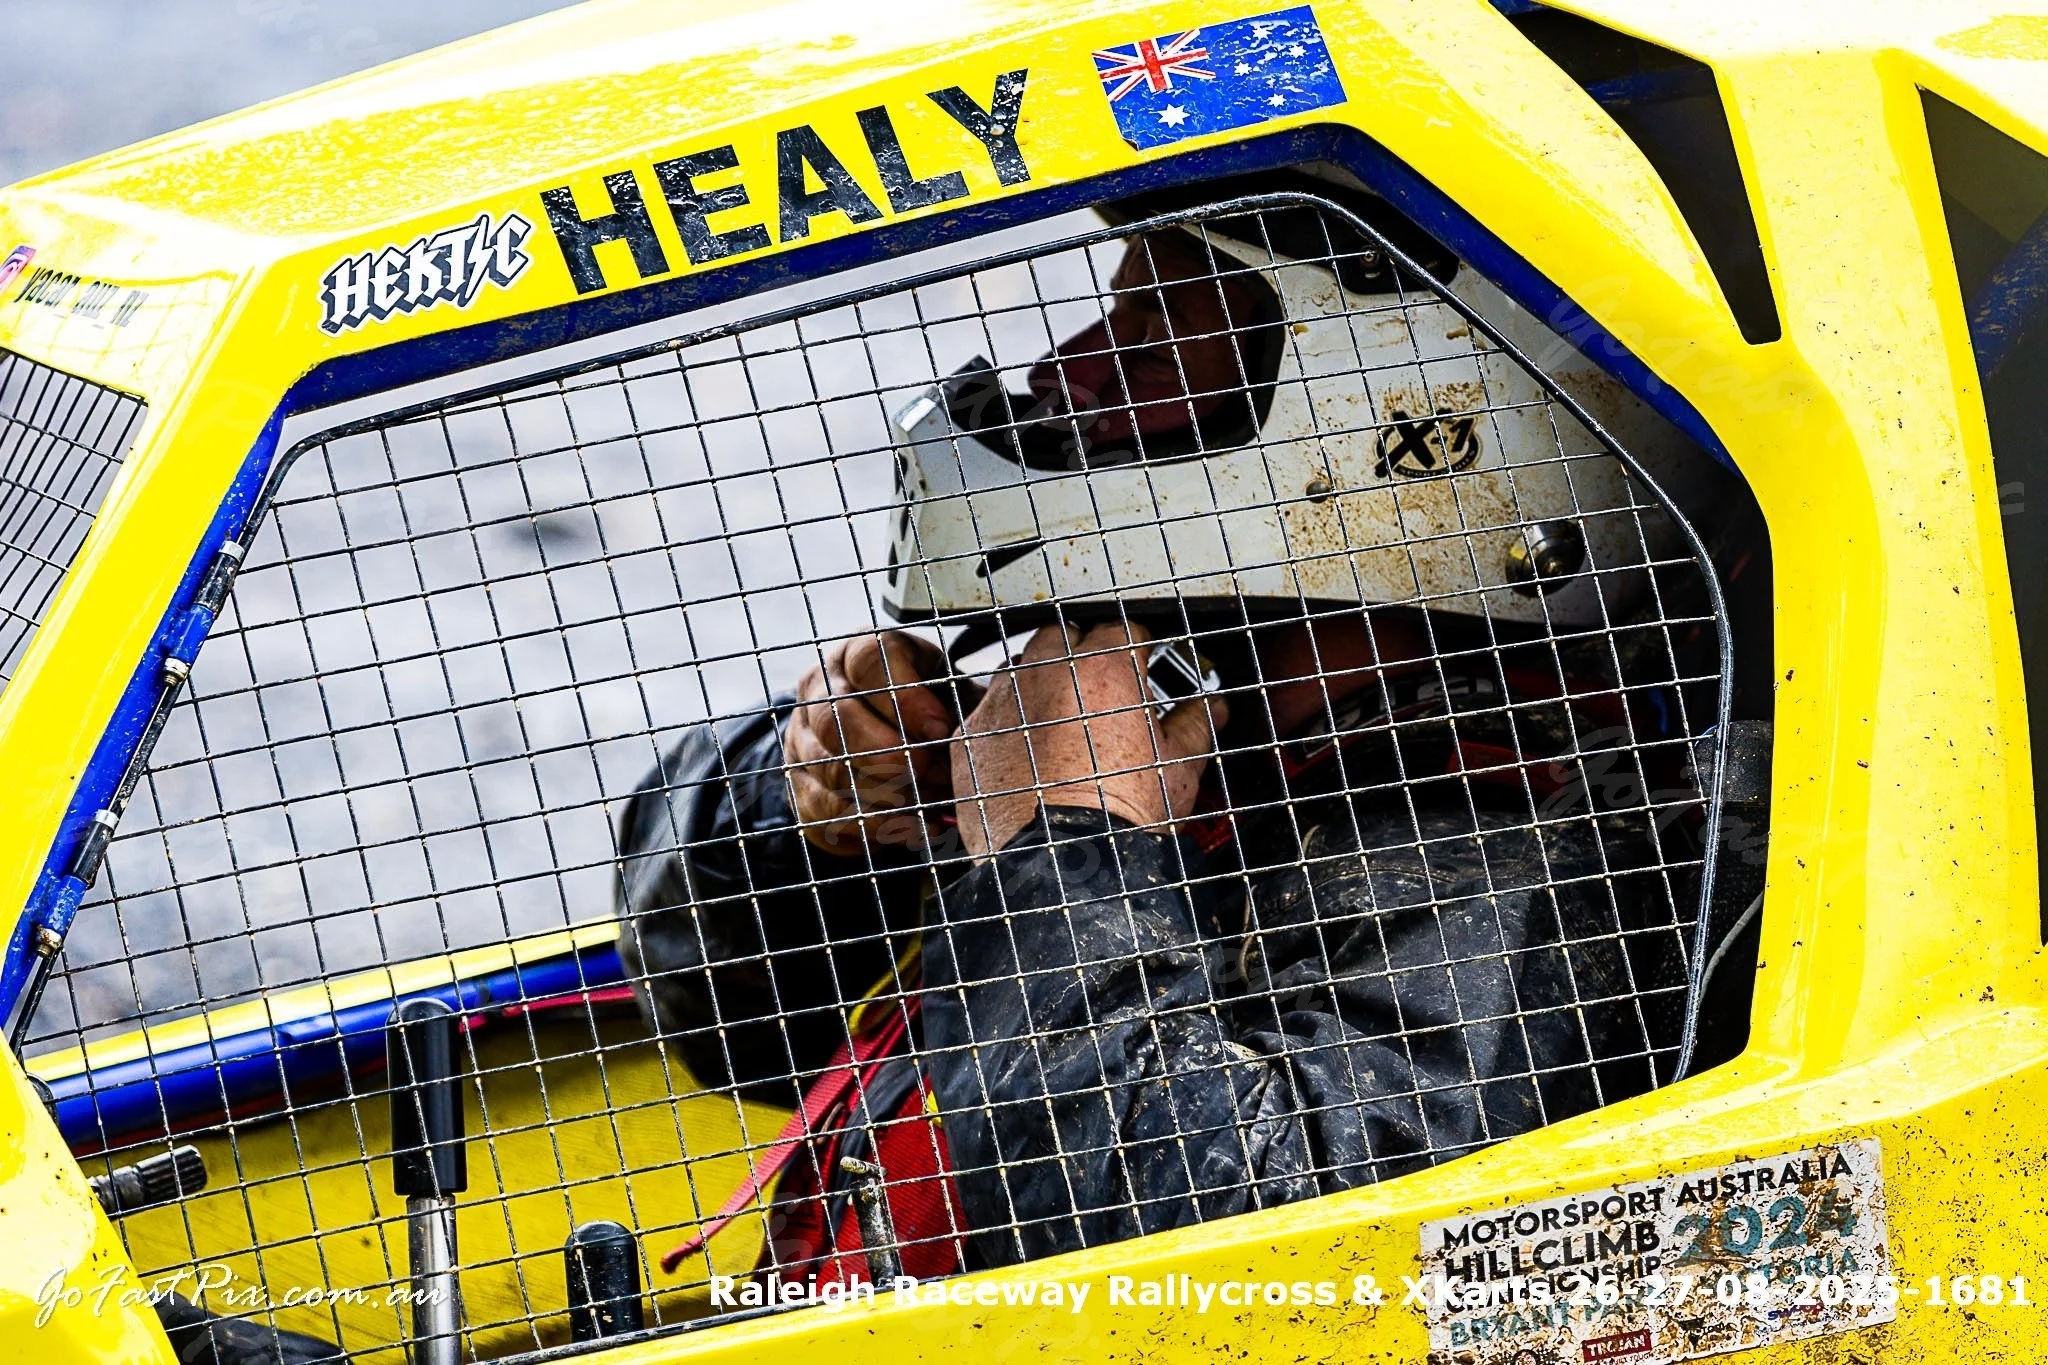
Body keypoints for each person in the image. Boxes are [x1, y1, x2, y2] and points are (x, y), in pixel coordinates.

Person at [618, 185, 1712, 1274]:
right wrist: (808, 795)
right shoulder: (1178, 724)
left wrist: (1066, 854)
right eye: (1108, 314)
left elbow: (1259, 1279)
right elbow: (726, 1025)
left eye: (1146, 344)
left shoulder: (1533, 832)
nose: (1063, 374)